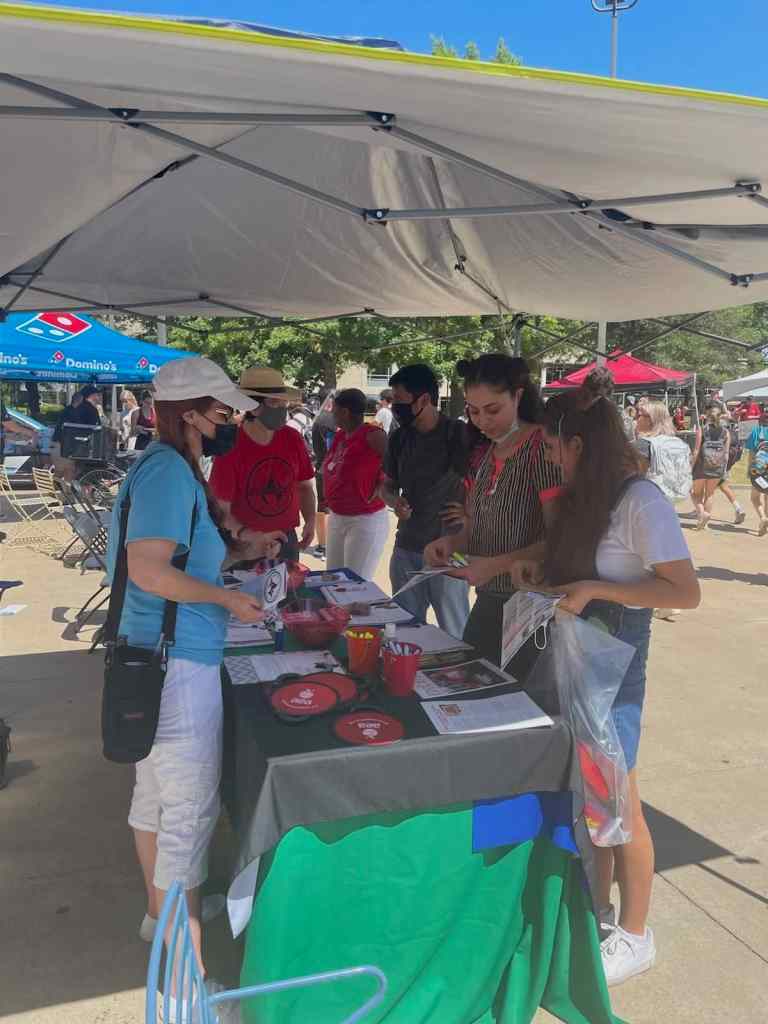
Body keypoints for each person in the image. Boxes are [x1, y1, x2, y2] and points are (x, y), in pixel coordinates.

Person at [518, 369, 700, 986]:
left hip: (614, 657)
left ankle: (636, 933)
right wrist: (541, 581)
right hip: (577, 654)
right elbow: (568, 569)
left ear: (577, 445)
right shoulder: (579, 499)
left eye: (551, 447)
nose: (547, 457)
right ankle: (595, 911)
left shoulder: (639, 500)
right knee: (589, 795)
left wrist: (595, 587)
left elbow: (685, 592)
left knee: (618, 797)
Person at [106, 356, 284, 981]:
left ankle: (162, 920)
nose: (231, 419)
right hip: (175, 665)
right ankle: (186, 981)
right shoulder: (167, 475)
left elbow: (183, 557)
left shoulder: (172, 471)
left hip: (162, 658)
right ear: (191, 411)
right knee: (185, 819)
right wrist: (227, 598)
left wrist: (240, 552)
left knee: (155, 803)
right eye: (223, 409)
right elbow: (151, 569)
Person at [424, 355, 560, 662]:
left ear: (519, 396)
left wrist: (493, 565)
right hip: (489, 598)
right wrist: (451, 543)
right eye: (473, 411)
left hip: (530, 605)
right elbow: (473, 523)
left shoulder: (543, 448)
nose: (482, 421)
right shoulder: (488, 452)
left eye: (492, 409)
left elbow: (560, 538)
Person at [379, 364, 471, 639]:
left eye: (400, 399)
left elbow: (484, 483)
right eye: (393, 400)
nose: (395, 406)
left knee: (454, 631)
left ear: (424, 400)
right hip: (407, 546)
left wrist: (469, 512)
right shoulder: (398, 438)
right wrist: (395, 501)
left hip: (449, 552)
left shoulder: (458, 434)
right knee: (405, 632)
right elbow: (385, 487)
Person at [210, 367, 316, 562]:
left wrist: (310, 519)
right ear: (252, 406)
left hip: (285, 539)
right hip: (243, 543)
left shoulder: (292, 438)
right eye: (274, 402)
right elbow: (221, 509)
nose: (282, 408)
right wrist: (249, 535)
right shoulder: (231, 446)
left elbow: (304, 486)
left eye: (283, 401)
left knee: (288, 591)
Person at [322, 388, 390, 578]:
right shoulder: (340, 436)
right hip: (338, 516)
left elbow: (396, 464)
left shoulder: (373, 435)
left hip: (364, 519)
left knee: (354, 584)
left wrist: (383, 484)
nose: (331, 413)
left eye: (334, 409)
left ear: (344, 412)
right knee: (332, 580)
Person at [690, 405, 730, 530]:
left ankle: (702, 514)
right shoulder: (726, 432)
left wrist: (691, 466)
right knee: (710, 494)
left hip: (701, 466)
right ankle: (705, 523)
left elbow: (696, 451)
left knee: (695, 494)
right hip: (717, 466)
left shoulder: (702, 430)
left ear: (707, 416)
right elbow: (726, 454)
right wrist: (723, 469)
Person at [310, 390, 336, 559]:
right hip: (334, 469)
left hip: (322, 468)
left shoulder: (318, 420)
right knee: (330, 508)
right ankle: (328, 546)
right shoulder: (334, 420)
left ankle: (323, 546)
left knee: (323, 507)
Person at [745, 405, 768, 535]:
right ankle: (767, 520)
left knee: (754, 497)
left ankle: (763, 518)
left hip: (758, 469)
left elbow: (752, 454)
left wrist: (750, 469)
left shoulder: (756, 431)